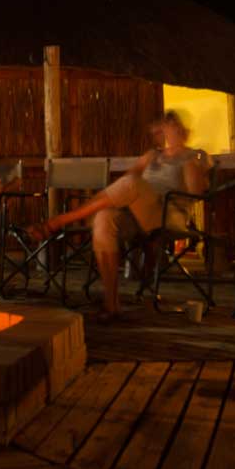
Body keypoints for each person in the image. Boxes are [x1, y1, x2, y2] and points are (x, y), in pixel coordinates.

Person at [31, 111, 210, 320]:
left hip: (169, 214)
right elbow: (125, 182)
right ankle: (111, 302)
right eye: (166, 125)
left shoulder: (191, 157)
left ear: (183, 131)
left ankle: (61, 220)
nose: (169, 130)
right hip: (140, 213)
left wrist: (192, 167)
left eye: (173, 125)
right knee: (103, 218)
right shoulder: (152, 155)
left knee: (132, 184)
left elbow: (195, 195)